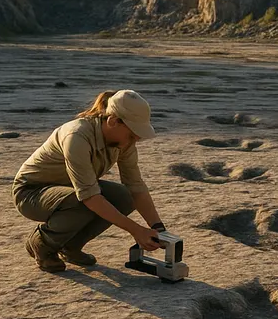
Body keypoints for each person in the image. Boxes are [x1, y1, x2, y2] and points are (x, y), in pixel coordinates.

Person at [14, 90, 167, 273]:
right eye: (133, 134)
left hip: (70, 189)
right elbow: (89, 197)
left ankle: (70, 247)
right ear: (113, 121)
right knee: (83, 202)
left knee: (124, 197)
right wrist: (136, 230)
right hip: (31, 193)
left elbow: (135, 186)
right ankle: (42, 244)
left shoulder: (124, 142)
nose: (137, 139)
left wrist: (159, 228)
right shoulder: (77, 135)